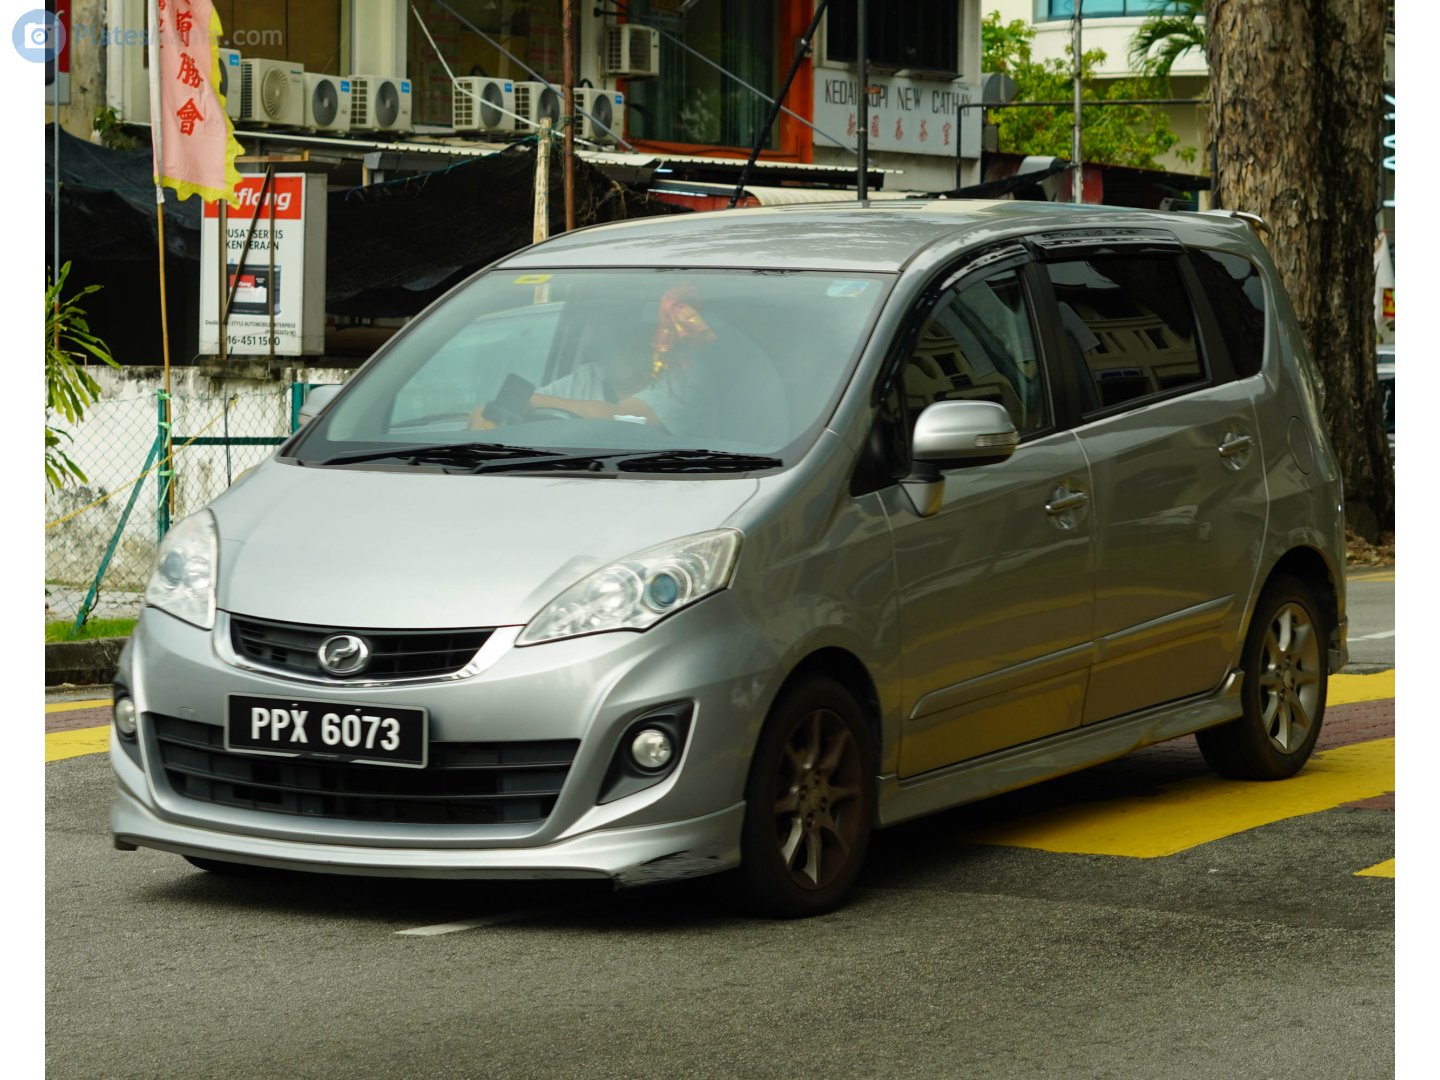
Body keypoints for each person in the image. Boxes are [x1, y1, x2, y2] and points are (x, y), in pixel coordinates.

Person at [471, 285, 719, 432]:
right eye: (612, 333)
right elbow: (488, 412)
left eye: (630, 332)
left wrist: (532, 400)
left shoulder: (682, 376)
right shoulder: (591, 374)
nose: (617, 340)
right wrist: (485, 419)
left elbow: (624, 418)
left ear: (651, 336)